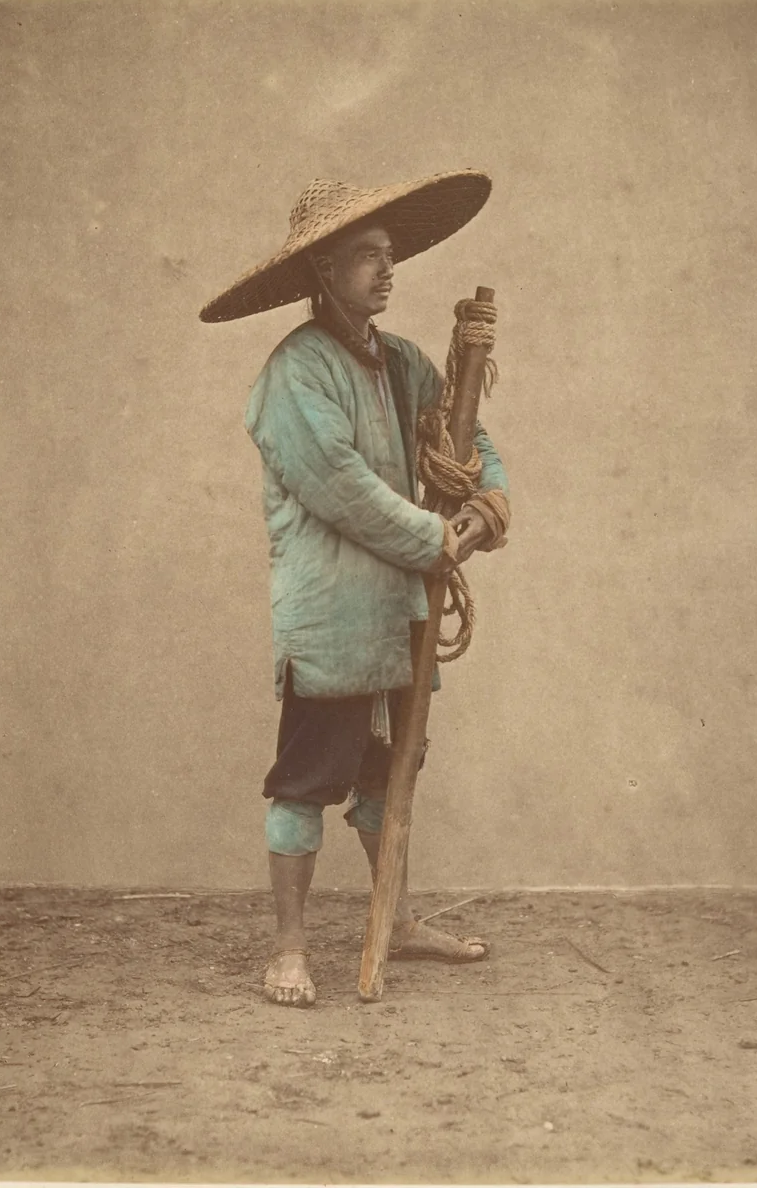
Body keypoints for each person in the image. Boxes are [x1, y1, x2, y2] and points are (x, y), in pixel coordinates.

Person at [200, 171, 510, 1007]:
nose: (386, 269)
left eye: (388, 254)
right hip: (333, 614)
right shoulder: (295, 375)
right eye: (365, 255)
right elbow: (340, 487)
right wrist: (433, 538)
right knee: (307, 779)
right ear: (320, 273)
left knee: (390, 772)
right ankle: (289, 951)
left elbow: (466, 436)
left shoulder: (403, 363)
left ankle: (396, 922)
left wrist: (486, 505)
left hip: (400, 613)